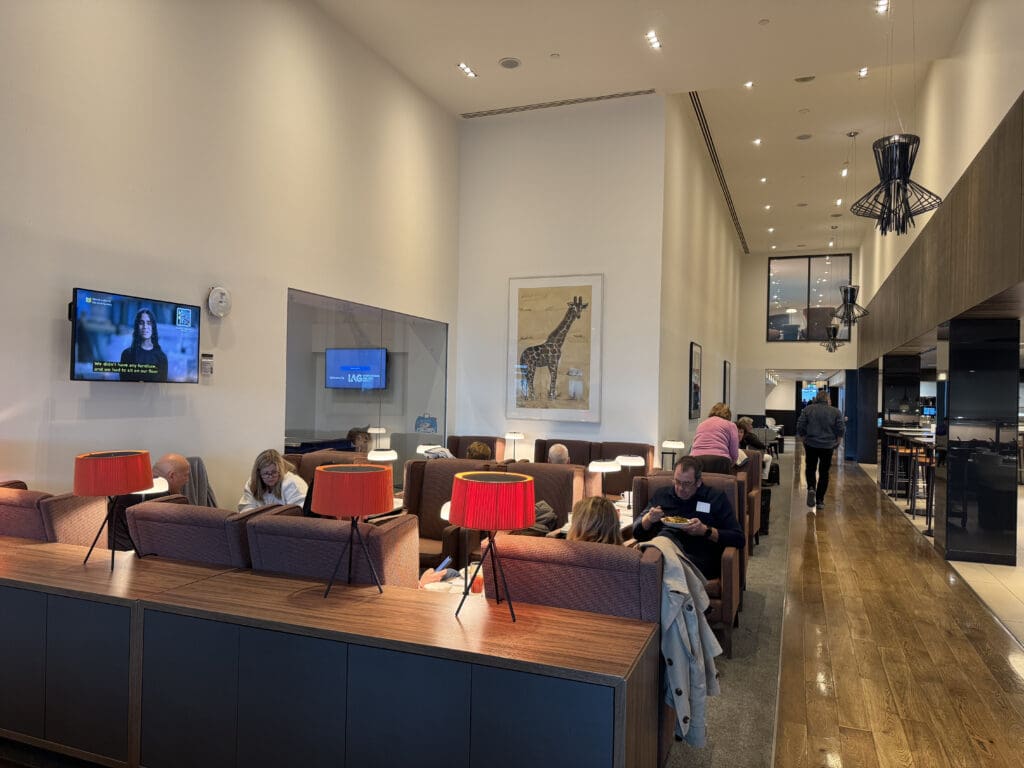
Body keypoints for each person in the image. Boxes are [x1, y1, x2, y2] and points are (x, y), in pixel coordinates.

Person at [632, 456, 744, 579]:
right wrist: (649, 518)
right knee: (654, 554)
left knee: (651, 564)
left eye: (686, 484)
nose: (680, 488)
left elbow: (738, 538)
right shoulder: (662, 495)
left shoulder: (714, 498)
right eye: (677, 482)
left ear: (698, 482)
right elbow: (636, 531)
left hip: (696, 559)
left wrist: (705, 531)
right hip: (661, 548)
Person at [797, 390, 845, 510]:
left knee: (810, 468)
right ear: (827, 399)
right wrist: (838, 440)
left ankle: (811, 488)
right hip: (828, 445)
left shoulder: (808, 409)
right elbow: (841, 428)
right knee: (824, 472)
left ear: (816, 398)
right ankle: (819, 500)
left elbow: (800, 425)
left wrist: (803, 438)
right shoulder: (835, 411)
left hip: (811, 444)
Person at [238, 449, 308, 511]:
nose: (270, 477)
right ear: (258, 473)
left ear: (281, 470)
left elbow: (298, 512)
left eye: (274, 472)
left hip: (284, 523)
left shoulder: (293, 483)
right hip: (258, 523)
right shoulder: (252, 483)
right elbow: (246, 509)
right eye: (266, 473)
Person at [689, 402, 739, 475]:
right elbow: (734, 452)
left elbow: (695, 444)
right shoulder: (730, 425)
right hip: (719, 460)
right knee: (720, 485)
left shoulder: (701, 424)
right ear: (728, 414)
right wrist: (730, 464)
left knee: (700, 484)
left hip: (696, 459)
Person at [119, 308, 168, 382]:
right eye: (141, 323)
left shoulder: (161, 357)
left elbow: (162, 388)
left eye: (149, 323)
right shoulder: (127, 354)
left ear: (153, 327)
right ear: (137, 327)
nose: (145, 327)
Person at [736, 417, 773, 481]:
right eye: (750, 424)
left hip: (746, 456)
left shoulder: (747, 435)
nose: (752, 426)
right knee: (769, 457)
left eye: (741, 432)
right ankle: (764, 478)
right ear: (746, 425)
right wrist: (765, 447)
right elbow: (760, 445)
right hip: (749, 457)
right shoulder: (748, 435)